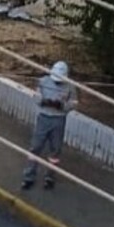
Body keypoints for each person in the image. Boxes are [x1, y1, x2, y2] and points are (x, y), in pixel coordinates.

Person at [21, 60, 78, 190]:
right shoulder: (43, 81)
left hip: (58, 120)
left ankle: (50, 177)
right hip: (43, 118)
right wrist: (44, 101)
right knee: (35, 148)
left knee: (55, 150)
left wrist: (62, 105)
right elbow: (36, 97)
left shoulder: (70, 86)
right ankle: (28, 177)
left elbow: (74, 103)